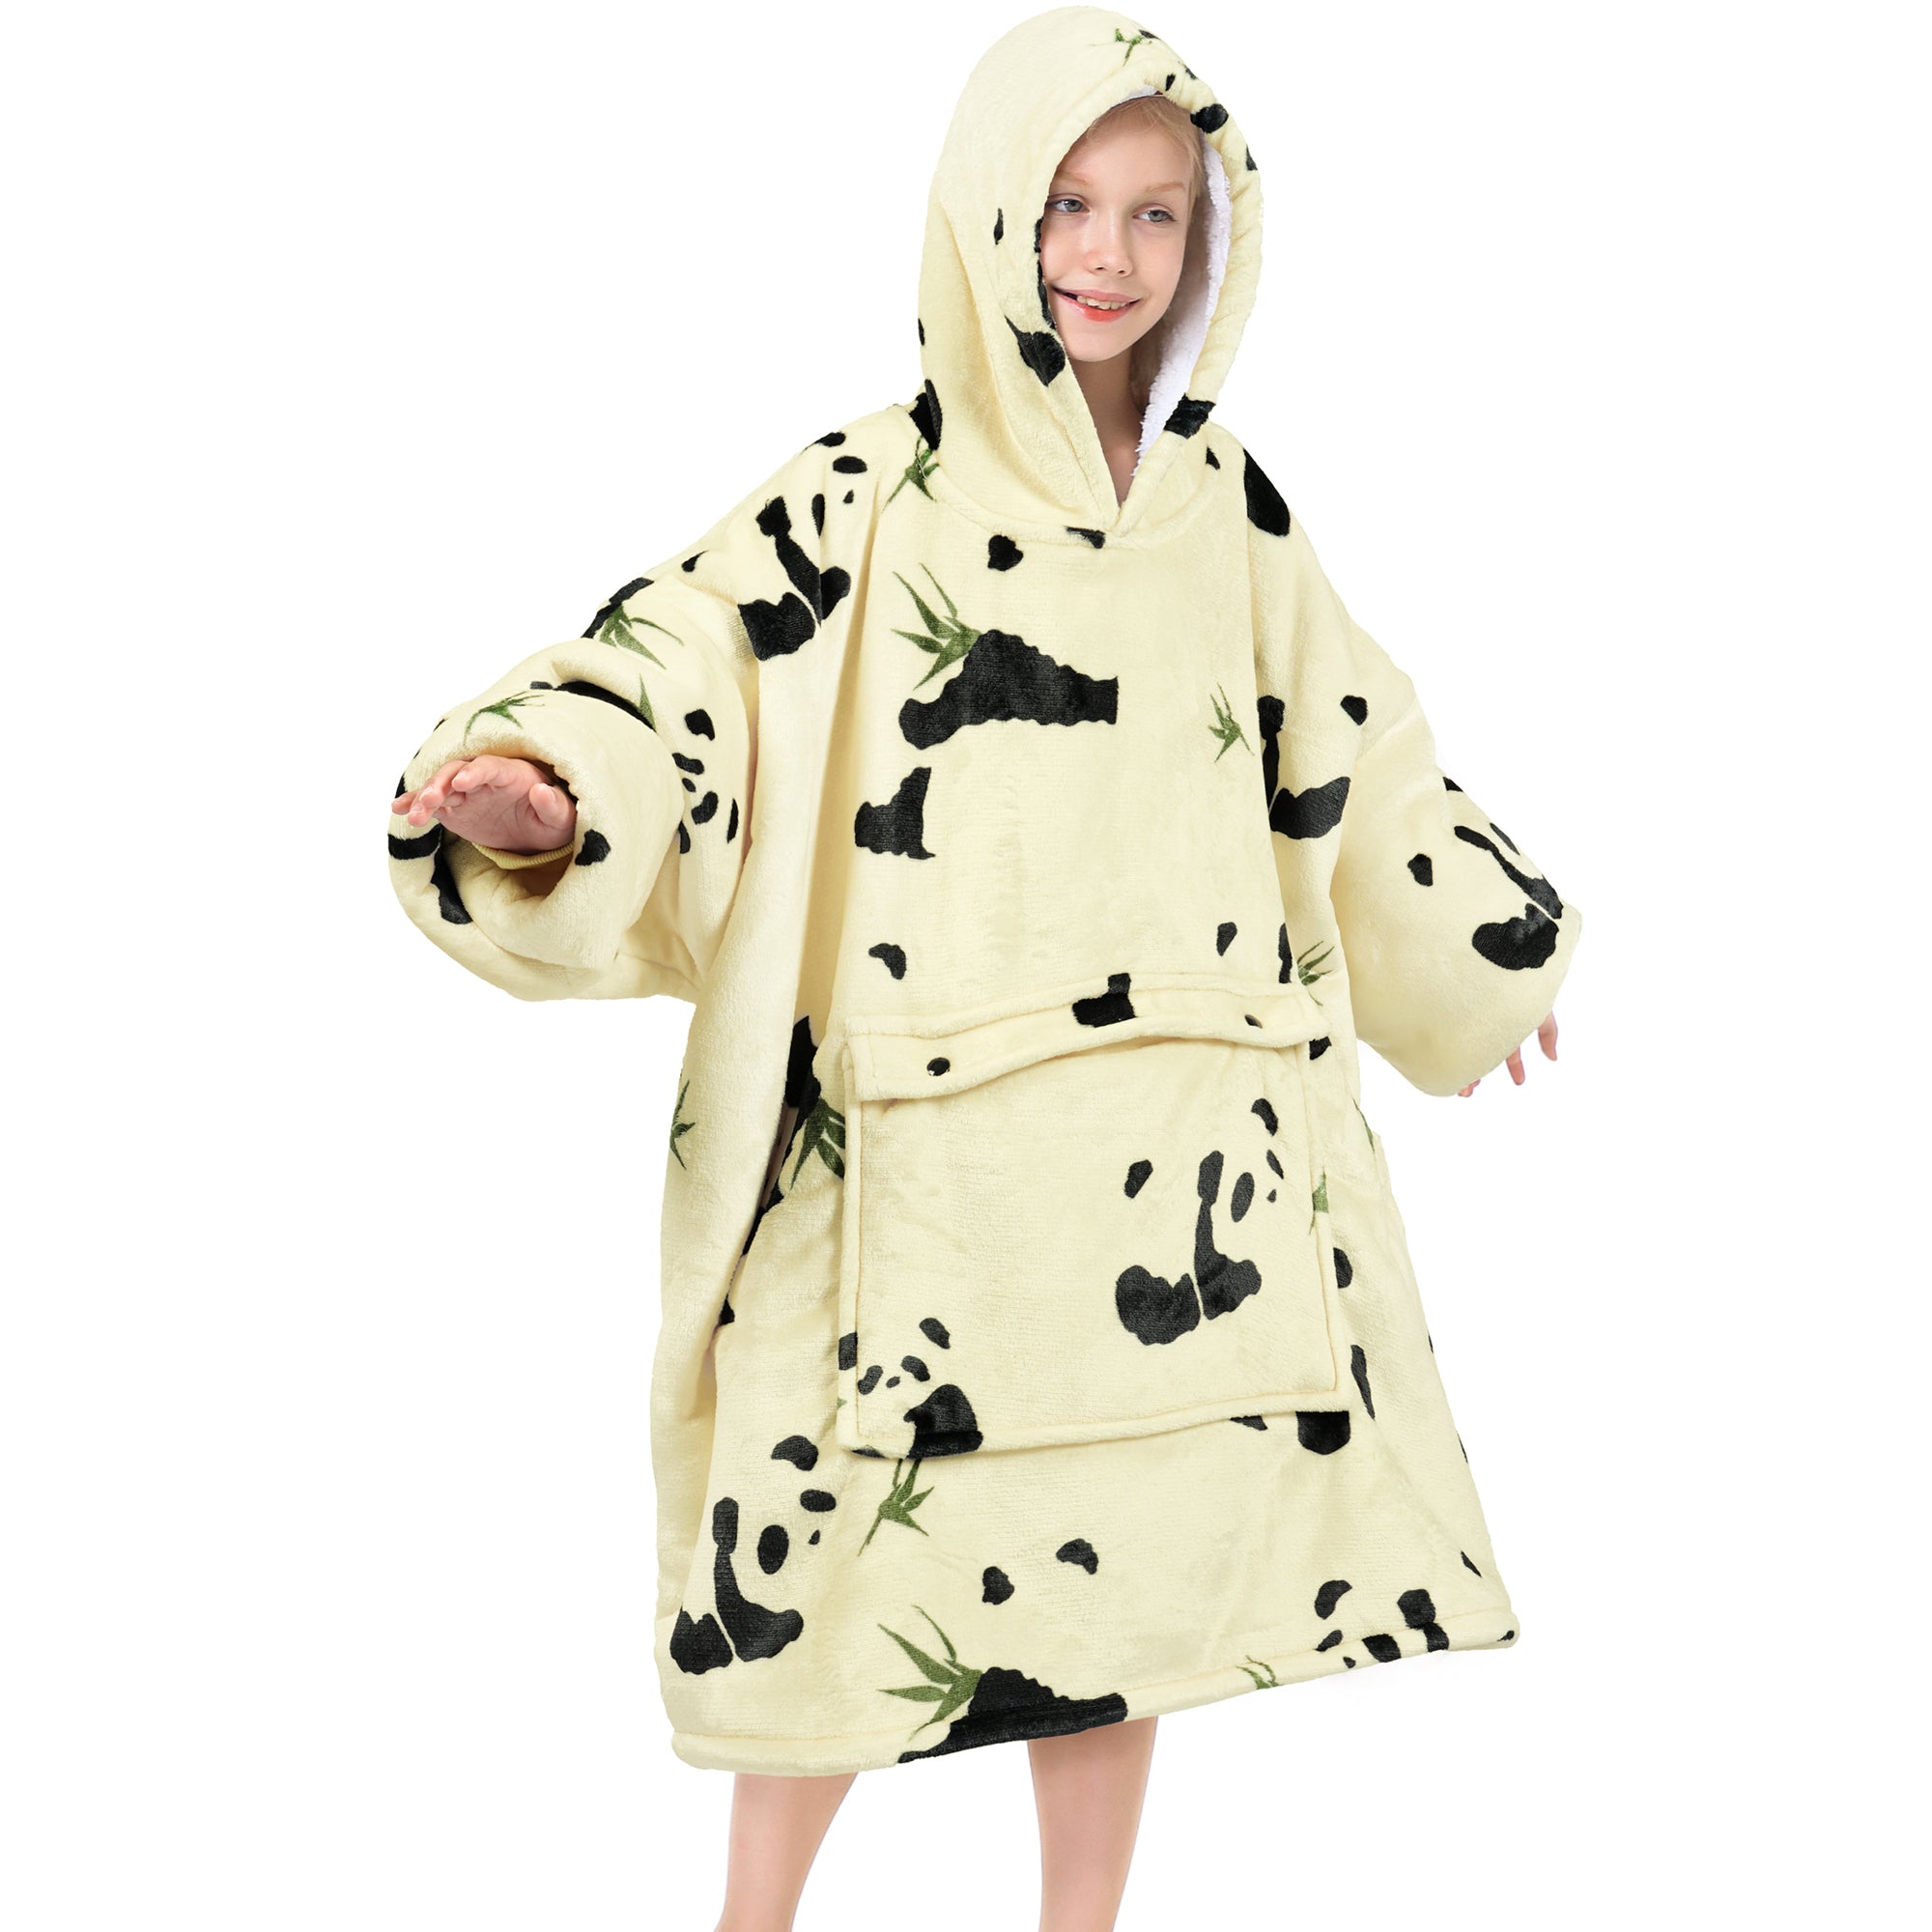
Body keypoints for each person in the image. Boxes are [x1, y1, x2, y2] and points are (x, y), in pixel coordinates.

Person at [384, 10, 1582, 1930]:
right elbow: (683, 668)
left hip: (1169, 1140)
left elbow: (1354, 751)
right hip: (911, 1158)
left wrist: (1474, 947)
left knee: (1120, 1586)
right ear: (986, 212)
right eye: (1067, 205)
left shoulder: (1227, 511)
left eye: (1158, 214)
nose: (1109, 255)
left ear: (1214, 237)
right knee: (823, 1593)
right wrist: (551, 793)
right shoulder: (863, 499)